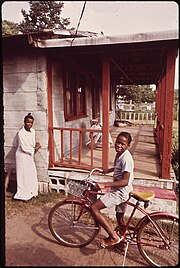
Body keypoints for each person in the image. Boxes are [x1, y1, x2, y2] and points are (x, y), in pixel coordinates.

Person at [91, 131, 134, 247]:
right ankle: (121, 242)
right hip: (121, 190)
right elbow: (117, 168)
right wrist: (108, 171)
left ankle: (114, 237)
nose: (119, 145)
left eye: (122, 144)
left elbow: (124, 181)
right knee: (119, 217)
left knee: (94, 208)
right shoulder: (120, 154)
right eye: (117, 142)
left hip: (121, 191)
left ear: (128, 146)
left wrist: (105, 184)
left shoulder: (126, 159)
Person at [14, 113, 41, 201]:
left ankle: (32, 192)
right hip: (22, 156)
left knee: (31, 173)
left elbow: (31, 143)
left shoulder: (33, 131)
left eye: (31, 122)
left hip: (29, 155)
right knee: (23, 175)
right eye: (28, 122)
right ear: (24, 122)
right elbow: (24, 147)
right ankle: (22, 195)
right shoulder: (21, 133)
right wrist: (35, 149)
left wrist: (36, 145)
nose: (29, 124)